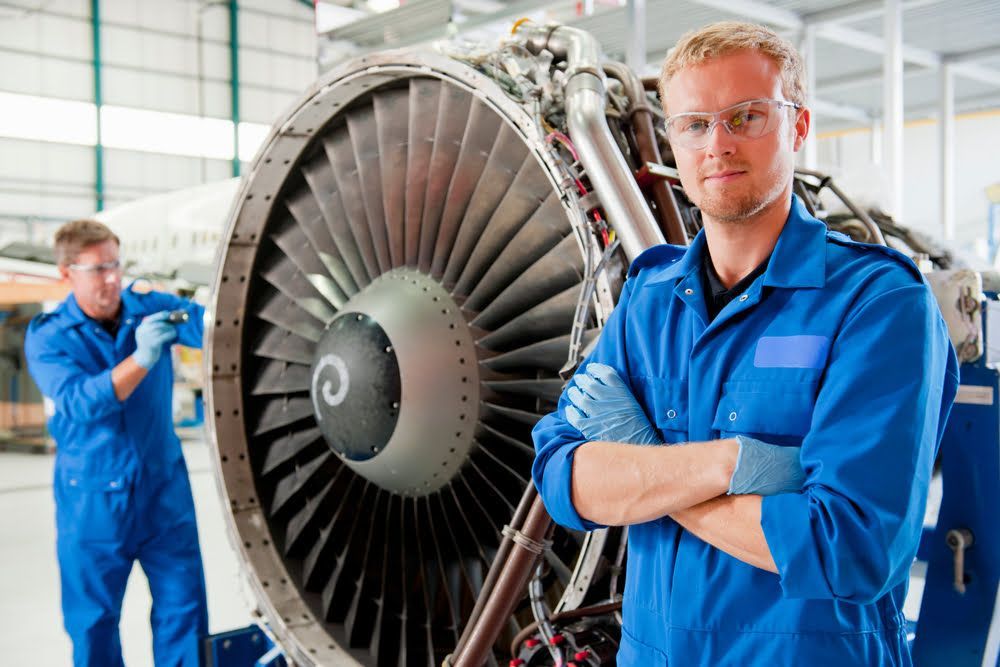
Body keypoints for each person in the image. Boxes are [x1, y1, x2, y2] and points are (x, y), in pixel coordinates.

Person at [531, 21, 958, 666]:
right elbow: (563, 483)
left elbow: (849, 549)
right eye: (694, 124)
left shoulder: (878, 305)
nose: (717, 145)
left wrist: (646, 472)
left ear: (799, 126)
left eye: (746, 116)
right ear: (672, 140)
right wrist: (730, 463)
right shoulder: (649, 302)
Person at [24, 219, 208, 666]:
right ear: (66, 273)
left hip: (164, 494)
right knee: (94, 625)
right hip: (93, 504)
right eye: (97, 270)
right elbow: (80, 402)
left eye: (115, 265)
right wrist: (142, 358)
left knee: (184, 614)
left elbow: (222, 330)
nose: (113, 279)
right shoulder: (48, 336)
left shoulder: (150, 307)